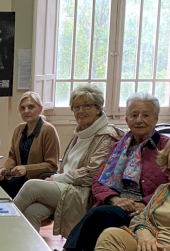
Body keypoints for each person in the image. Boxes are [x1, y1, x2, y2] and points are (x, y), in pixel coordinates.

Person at [56, 92, 170, 251]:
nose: (139, 120)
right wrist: (114, 199)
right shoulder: (119, 146)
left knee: (99, 216)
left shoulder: (167, 148)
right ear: (126, 119)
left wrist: (144, 203)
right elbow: (98, 181)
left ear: (156, 119)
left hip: (145, 210)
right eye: (134, 115)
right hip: (115, 204)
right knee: (100, 220)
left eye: (145, 115)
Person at [13, 84, 121, 237]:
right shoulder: (81, 132)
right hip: (66, 185)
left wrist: (58, 177)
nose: (80, 111)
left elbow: (92, 173)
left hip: (84, 192)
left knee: (31, 186)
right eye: (76, 107)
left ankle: (1, 224)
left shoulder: (106, 136)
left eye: (86, 106)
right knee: (32, 211)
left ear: (98, 108)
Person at [0, 91, 60, 198]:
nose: (26, 111)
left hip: (34, 181)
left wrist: (26, 169)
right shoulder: (19, 129)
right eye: (22, 108)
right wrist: (4, 169)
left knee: (1, 189)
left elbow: (52, 166)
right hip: (16, 177)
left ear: (40, 109)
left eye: (31, 107)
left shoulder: (48, 130)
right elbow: (12, 157)